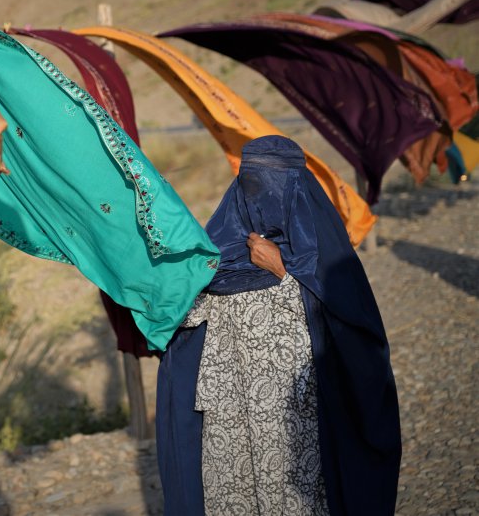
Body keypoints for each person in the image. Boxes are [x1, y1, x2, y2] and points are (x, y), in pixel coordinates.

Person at [156, 135, 402, 515]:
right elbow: (181, 318)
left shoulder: (324, 257)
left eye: (276, 182)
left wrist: (284, 273)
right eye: (253, 181)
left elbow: (354, 330)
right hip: (231, 421)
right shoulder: (219, 253)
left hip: (298, 420)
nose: (264, 196)